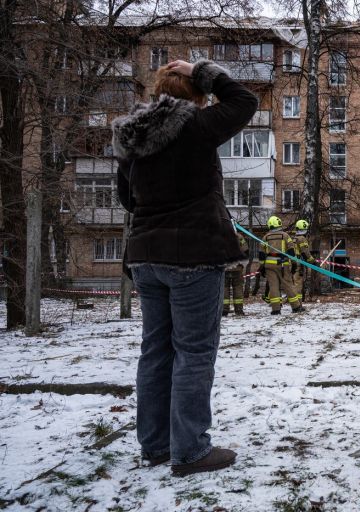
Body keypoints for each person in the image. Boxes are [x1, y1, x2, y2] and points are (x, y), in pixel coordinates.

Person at [114, 59, 257, 476]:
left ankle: (156, 446)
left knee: (155, 352)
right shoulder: (196, 127)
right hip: (193, 255)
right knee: (194, 353)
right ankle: (190, 451)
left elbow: (127, 200)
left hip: (144, 256)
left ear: (158, 93)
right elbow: (244, 100)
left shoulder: (133, 136)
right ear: (196, 96)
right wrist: (204, 70)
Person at [258, 215, 304, 315]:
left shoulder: (265, 237)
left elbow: (261, 254)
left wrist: (261, 267)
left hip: (269, 265)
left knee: (273, 286)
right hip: (282, 264)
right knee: (288, 286)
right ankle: (296, 307)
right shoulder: (285, 235)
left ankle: (276, 309)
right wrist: (294, 263)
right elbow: (291, 251)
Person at [223, 233, 248, 316]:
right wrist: (242, 264)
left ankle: (224, 309)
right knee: (238, 288)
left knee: (224, 289)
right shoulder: (239, 236)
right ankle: (239, 310)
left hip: (224, 268)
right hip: (237, 267)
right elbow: (246, 251)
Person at [291, 219, 316, 301]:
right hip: (299, 263)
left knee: (294, 282)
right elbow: (305, 252)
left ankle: (295, 301)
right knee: (298, 283)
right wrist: (312, 261)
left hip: (292, 263)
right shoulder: (302, 238)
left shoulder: (294, 238)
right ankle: (297, 303)